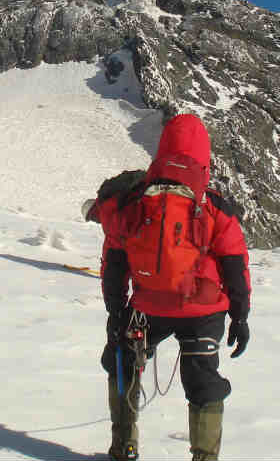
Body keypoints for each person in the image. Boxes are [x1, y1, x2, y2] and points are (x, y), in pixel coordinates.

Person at [86, 113, 251, 461]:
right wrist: (240, 315)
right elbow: (235, 263)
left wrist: (116, 311)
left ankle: (123, 447)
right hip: (203, 310)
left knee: (122, 361)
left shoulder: (135, 199)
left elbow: (115, 261)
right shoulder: (213, 206)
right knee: (203, 381)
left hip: (148, 306)